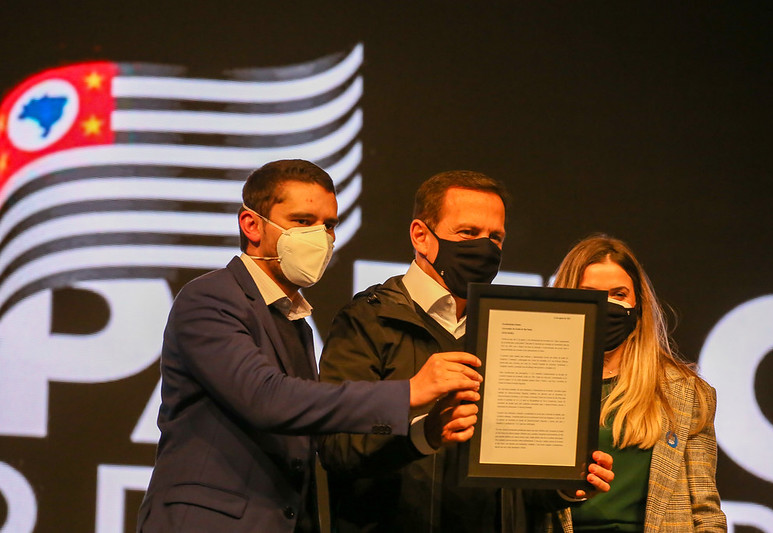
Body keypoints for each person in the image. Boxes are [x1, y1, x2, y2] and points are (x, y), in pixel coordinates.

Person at [136, 160, 484, 533]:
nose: (320, 236)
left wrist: (422, 434)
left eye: (329, 225)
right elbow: (265, 399)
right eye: (303, 221)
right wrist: (409, 393)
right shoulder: (211, 297)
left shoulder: (292, 321)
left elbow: (317, 432)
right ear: (251, 225)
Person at [318, 171, 614, 533]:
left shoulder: (514, 329)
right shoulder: (368, 320)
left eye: (495, 237)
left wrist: (565, 485)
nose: (485, 248)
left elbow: (517, 481)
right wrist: (421, 432)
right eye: (468, 233)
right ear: (421, 236)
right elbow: (336, 447)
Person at [537, 234, 726, 532]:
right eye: (590, 294)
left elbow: (705, 510)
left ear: (638, 304)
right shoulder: (534, 383)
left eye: (619, 294)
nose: (607, 305)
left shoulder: (685, 392)